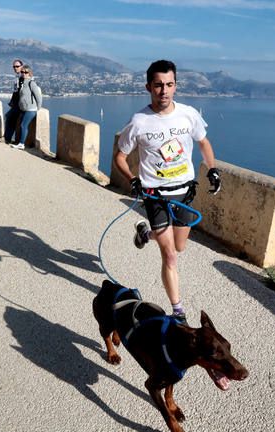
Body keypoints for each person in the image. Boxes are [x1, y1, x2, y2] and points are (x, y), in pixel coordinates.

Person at [114, 59, 221, 323]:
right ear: (148, 86)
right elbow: (119, 156)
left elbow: (204, 142)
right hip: (155, 195)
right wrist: (133, 180)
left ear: (176, 86)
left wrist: (212, 169)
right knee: (170, 255)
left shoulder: (188, 114)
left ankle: (145, 233)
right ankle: (179, 312)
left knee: (180, 246)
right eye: (158, 85)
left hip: (185, 193)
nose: (164, 91)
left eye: (169, 85)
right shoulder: (138, 122)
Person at [10, 64, 43, 150]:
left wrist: (38, 108)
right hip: (23, 109)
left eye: (26, 72)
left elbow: (38, 97)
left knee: (23, 126)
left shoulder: (32, 83)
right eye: (22, 72)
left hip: (31, 109)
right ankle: (20, 142)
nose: (24, 73)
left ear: (30, 73)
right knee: (21, 125)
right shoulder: (22, 82)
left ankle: (21, 144)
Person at [4, 59, 24, 144]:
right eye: (14, 67)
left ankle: (11, 139)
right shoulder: (17, 77)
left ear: (21, 66)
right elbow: (15, 92)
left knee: (11, 118)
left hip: (20, 105)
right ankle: (7, 138)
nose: (15, 68)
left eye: (17, 66)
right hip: (15, 104)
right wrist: (12, 102)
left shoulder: (23, 77)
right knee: (8, 116)